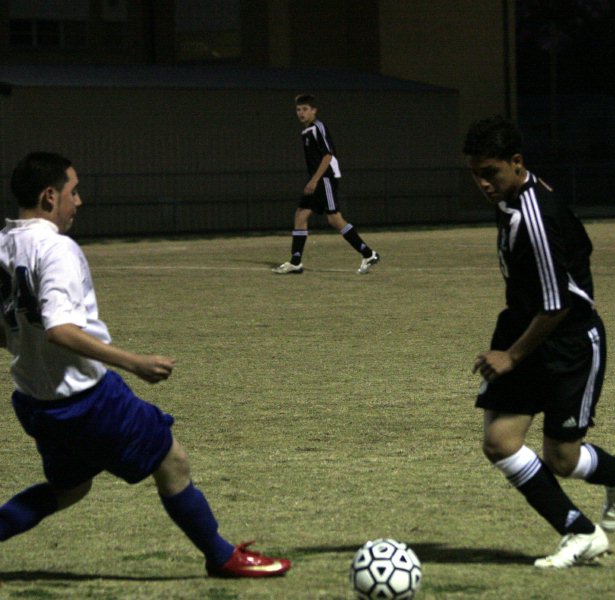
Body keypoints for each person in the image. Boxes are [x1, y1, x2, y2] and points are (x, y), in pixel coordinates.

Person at [0, 152, 291, 578]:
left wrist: (25, 350)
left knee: (70, 488)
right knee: (172, 462)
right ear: (49, 196)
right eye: (73, 191)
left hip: (36, 403)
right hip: (89, 401)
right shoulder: (56, 248)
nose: (78, 201)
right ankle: (222, 557)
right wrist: (134, 363)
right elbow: (59, 330)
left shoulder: (6, 244)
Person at [463, 116, 615, 569]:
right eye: (476, 174)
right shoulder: (517, 195)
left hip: (567, 342)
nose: (483, 183)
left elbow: (558, 303)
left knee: (562, 458)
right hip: (526, 326)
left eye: (491, 172)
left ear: (516, 163)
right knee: (501, 442)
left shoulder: (534, 215)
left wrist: (511, 355)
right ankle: (580, 533)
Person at [273, 94, 380, 275]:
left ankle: (368, 253)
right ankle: (295, 262)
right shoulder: (306, 131)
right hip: (318, 179)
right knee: (301, 214)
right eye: (298, 109)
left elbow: (328, 156)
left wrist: (314, 180)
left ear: (314, 110)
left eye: (305, 109)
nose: (301, 113)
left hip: (325, 179)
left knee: (334, 218)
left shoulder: (317, 128)